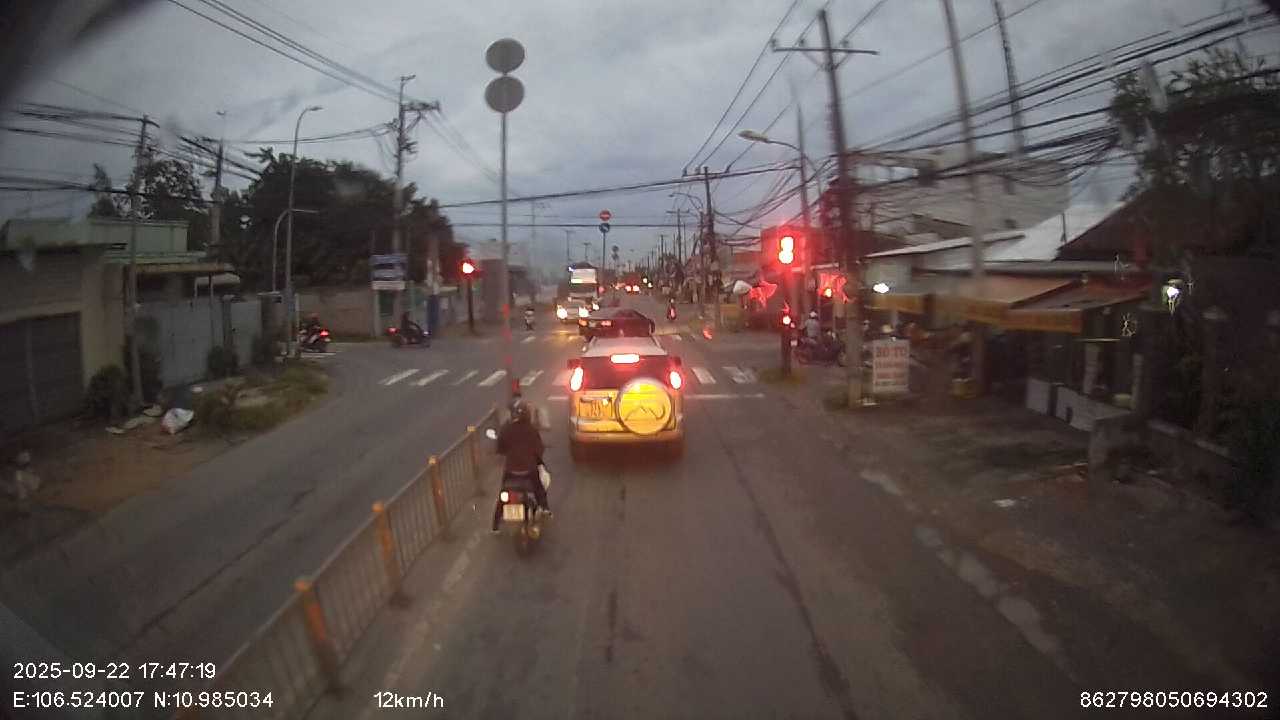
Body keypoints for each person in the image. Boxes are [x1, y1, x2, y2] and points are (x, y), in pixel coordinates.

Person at [493, 397, 550, 532]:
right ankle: (545, 509)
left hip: (511, 470)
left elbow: (500, 448)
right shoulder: (531, 429)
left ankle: (495, 525)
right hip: (529, 470)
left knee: (503, 493)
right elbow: (539, 449)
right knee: (539, 489)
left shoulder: (506, 429)